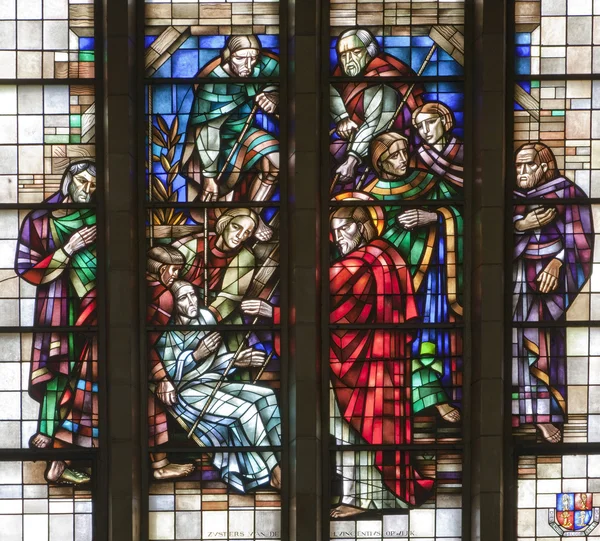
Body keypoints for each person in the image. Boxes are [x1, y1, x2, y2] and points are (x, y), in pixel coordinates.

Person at [329, 206, 434, 517]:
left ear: (362, 226)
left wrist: (275, 314)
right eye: (333, 233)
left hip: (362, 363)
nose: (337, 239)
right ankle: (375, 495)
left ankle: (357, 499)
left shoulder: (360, 262)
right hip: (386, 359)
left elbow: (320, 298)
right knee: (372, 425)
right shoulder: (389, 256)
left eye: (342, 229)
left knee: (350, 429)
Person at [364, 132, 463, 422]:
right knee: (397, 337)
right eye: (393, 156)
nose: (401, 159)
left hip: (432, 277)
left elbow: (464, 215)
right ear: (380, 163)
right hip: (391, 278)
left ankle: (434, 395)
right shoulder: (371, 193)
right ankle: (399, 399)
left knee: (426, 335)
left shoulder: (429, 182)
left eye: (403, 152)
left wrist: (433, 217)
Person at [154, 280, 282, 492]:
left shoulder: (206, 318)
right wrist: (195, 355)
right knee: (246, 410)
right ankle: (274, 470)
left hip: (211, 382)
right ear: (173, 305)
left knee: (266, 396)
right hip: (185, 392)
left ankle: (281, 458)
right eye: (183, 298)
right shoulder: (166, 332)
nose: (192, 302)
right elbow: (169, 378)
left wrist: (236, 361)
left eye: (193, 295)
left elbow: (216, 365)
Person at [15, 160, 98, 485]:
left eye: (93, 186)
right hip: (59, 307)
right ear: (68, 182)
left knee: (86, 379)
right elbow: (28, 270)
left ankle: (63, 454)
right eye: (82, 183)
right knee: (57, 372)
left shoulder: (102, 218)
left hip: (95, 308)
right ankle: (49, 440)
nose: (87, 191)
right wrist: (68, 249)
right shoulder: (39, 220)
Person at [512, 142, 594, 443]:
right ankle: (516, 414)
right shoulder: (510, 197)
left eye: (527, 166)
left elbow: (581, 243)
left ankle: (544, 416)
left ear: (545, 167)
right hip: (513, 277)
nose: (520, 172)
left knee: (540, 343)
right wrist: (523, 223)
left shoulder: (568, 194)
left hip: (548, 282)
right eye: (517, 166)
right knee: (513, 348)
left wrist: (558, 264)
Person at [180, 35, 279, 239]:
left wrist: (272, 94)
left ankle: (253, 215)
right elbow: (209, 131)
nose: (249, 65)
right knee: (219, 192)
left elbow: (289, 79)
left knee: (277, 161)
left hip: (245, 133)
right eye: (241, 58)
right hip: (212, 145)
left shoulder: (262, 66)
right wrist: (208, 177)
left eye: (253, 58)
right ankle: (237, 220)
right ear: (228, 56)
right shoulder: (213, 85)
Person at [330, 28, 424, 187]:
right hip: (358, 146)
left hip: (387, 151)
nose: (349, 59)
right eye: (344, 55)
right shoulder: (339, 76)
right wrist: (342, 118)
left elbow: (375, 122)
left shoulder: (382, 78)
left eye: (356, 52)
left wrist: (351, 161)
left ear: (370, 52)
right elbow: (331, 93)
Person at [145, 245, 194, 479]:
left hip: (92, 358)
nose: (175, 276)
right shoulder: (161, 295)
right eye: (173, 270)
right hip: (125, 362)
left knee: (84, 412)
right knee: (151, 410)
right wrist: (162, 378)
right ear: (161, 268)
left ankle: (59, 463)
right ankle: (159, 467)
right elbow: (144, 342)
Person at [411, 102, 464, 186]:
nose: (425, 130)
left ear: (443, 120)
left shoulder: (463, 150)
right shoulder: (416, 158)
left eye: (431, 122)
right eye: (420, 126)